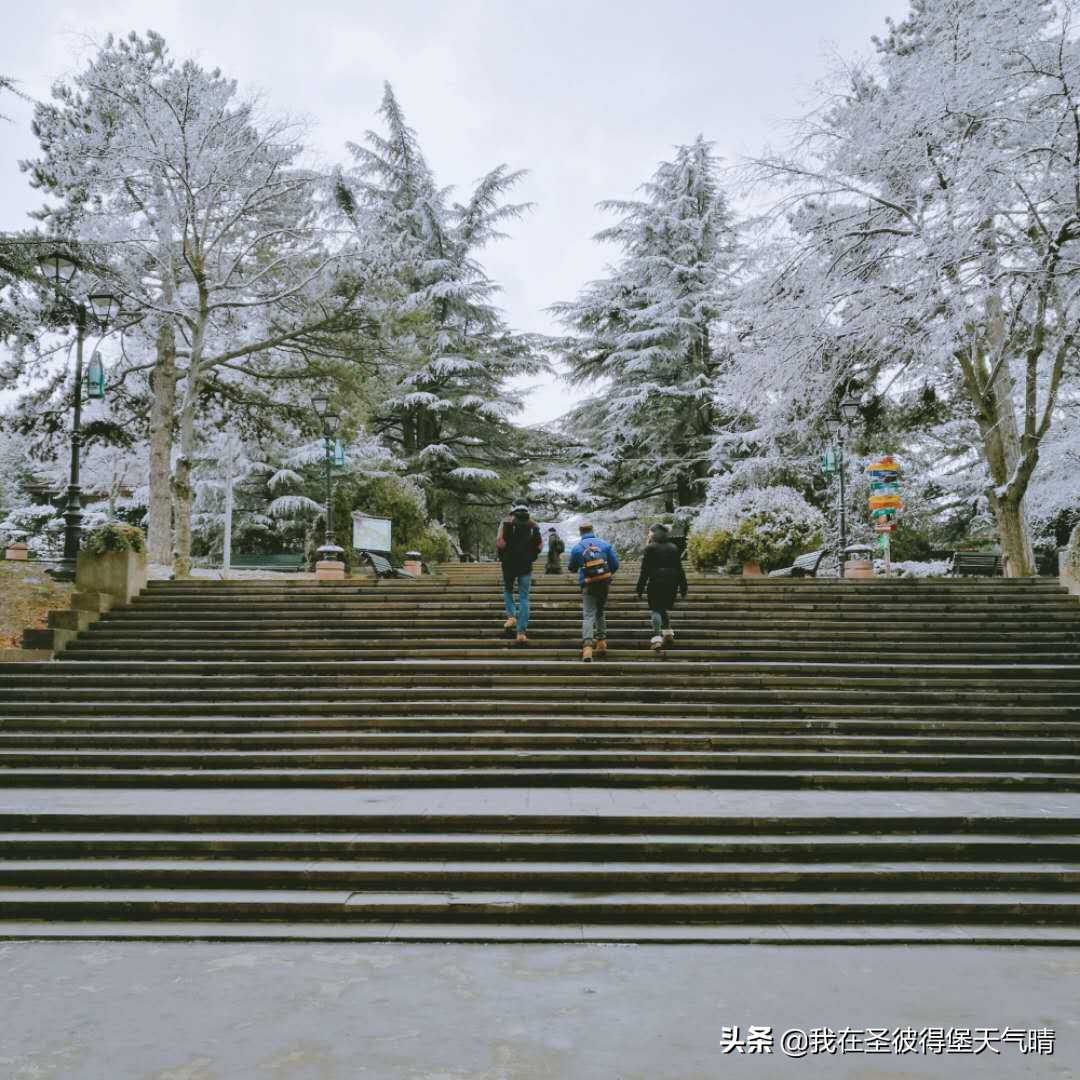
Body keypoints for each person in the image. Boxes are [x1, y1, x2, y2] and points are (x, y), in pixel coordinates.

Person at [567, 522, 620, 662]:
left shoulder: (577, 548)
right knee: (600, 611)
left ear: (580, 532)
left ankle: (588, 647)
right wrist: (604, 574)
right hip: (603, 583)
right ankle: (601, 643)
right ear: (592, 530)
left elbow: (571, 568)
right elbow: (615, 565)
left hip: (588, 584)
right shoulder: (605, 545)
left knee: (589, 614)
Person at [636, 522, 688, 652]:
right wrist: (683, 586)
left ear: (654, 533)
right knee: (662, 607)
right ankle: (668, 634)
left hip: (656, 581)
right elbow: (679, 568)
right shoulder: (673, 547)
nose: (649, 534)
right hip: (672, 582)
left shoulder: (650, 548)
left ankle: (657, 638)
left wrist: (640, 587)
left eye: (650, 532)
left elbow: (645, 570)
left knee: (655, 609)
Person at [496, 504, 542, 645]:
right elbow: (539, 547)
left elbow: (501, 544)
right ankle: (521, 633)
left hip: (509, 564)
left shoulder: (506, 523)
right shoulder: (533, 525)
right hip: (525, 565)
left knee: (508, 590)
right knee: (524, 597)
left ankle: (511, 617)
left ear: (513, 512)